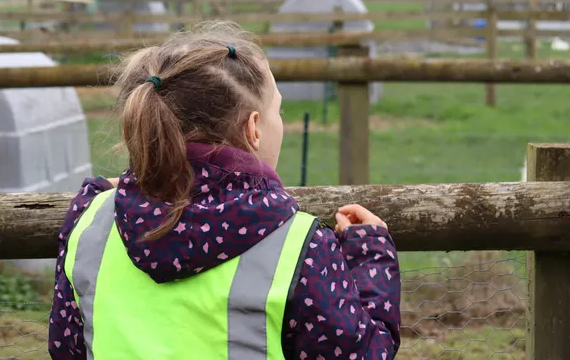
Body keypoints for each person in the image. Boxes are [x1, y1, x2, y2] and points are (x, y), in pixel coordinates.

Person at [49, 22, 401, 360]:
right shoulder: (298, 248)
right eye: (277, 110)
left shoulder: (90, 226)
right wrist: (370, 256)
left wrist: (93, 200)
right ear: (253, 129)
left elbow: (68, 348)